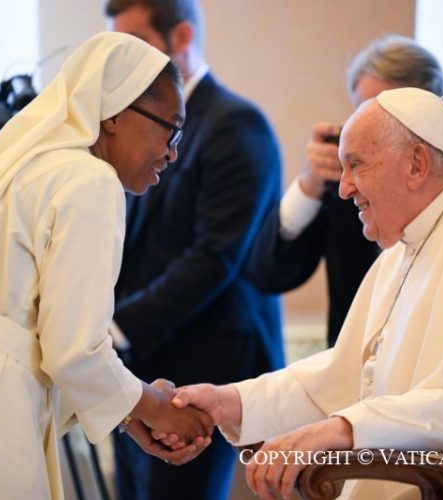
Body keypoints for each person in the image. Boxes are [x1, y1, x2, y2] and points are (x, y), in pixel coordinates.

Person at [172, 87, 443, 500]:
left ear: (416, 164)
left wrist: (342, 429)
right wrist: (230, 401)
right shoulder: (402, 250)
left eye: (355, 165)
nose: (343, 189)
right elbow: (345, 376)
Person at [0, 32, 213, 500]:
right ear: (113, 113)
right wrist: (153, 405)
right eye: (170, 129)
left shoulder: (25, 169)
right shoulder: (89, 179)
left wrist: (131, 411)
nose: (173, 152)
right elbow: (73, 351)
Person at [104, 1, 285, 499]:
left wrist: (116, 329)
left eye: (137, 43)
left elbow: (216, 256)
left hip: (207, 356)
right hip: (139, 358)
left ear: (181, 37)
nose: (125, 61)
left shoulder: (235, 124)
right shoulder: (127, 124)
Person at [248, 34, 443, 347]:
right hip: (355, 358)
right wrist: (309, 186)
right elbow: (268, 272)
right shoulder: (348, 166)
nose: (347, 188)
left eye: (388, 116)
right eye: (364, 110)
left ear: (432, 106)